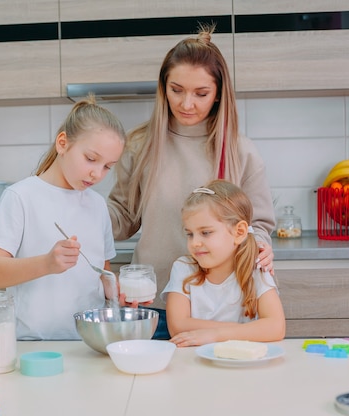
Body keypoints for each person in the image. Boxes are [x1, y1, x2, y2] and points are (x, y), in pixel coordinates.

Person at [107, 23, 276, 337]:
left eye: (201, 93)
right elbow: (123, 219)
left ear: (217, 94)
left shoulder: (241, 151)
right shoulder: (139, 145)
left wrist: (262, 246)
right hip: (150, 305)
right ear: (163, 87)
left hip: (222, 310)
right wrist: (74, 205)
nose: (187, 104)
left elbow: (259, 226)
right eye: (177, 90)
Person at [0, 95, 128, 340]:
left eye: (107, 166)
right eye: (91, 159)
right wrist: (47, 264)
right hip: (34, 344)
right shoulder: (20, 197)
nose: (97, 173)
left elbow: (102, 272)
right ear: (63, 143)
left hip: (89, 343)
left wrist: (118, 292)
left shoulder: (97, 205)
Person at [162, 180, 285, 347]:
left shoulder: (255, 268)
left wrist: (215, 335)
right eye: (190, 234)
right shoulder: (184, 268)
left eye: (205, 233)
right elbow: (178, 327)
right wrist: (249, 330)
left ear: (239, 232)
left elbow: (276, 327)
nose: (195, 243)